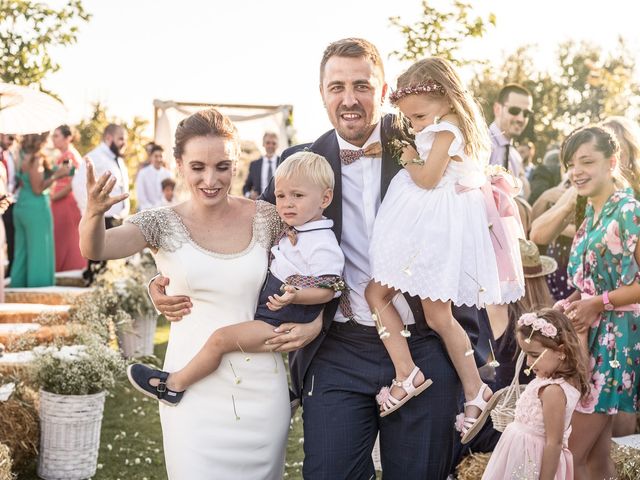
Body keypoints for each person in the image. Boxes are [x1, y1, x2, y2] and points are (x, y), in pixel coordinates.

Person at [150, 38, 488, 479]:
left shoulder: (427, 144)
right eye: (337, 86)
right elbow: (252, 241)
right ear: (322, 93)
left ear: (383, 90)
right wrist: (168, 279)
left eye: (361, 85)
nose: (349, 99)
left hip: (423, 342)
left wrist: (470, 350)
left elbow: (466, 238)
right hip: (337, 350)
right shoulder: (297, 164)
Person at [79, 108, 290, 479]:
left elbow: (312, 269)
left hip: (262, 389)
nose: (211, 179)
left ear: (236, 164)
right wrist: (93, 214)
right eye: (197, 167)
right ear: (178, 164)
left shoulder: (268, 217)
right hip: (190, 389)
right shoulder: (159, 222)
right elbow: (96, 248)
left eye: (222, 167)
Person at [364, 57, 524, 445]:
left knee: (377, 293)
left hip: (432, 227)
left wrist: (405, 156)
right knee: (437, 315)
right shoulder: (447, 126)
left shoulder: (447, 131)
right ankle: (474, 391)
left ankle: (408, 373)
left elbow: (428, 177)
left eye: (418, 117)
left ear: (445, 97)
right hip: (435, 224)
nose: (416, 125)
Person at [127, 151, 344, 404]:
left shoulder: (322, 242)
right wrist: (160, 279)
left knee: (221, 340)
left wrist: (296, 295)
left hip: (281, 320)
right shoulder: (293, 226)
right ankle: (286, 394)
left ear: (325, 198)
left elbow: (330, 288)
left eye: (297, 196)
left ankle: (173, 385)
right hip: (271, 309)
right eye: (281, 196)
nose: (286, 203)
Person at [554, 125, 640, 479]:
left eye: (586, 161)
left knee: (570, 450)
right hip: (590, 336)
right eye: (571, 164)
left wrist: (598, 303)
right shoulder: (590, 211)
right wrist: (572, 301)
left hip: (615, 341)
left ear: (612, 161)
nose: (577, 171)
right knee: (595, 458)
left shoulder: (628, 211)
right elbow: (592, 279)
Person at [482, 309, 589, 480]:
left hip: (532, 462)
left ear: (561, 351)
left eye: (535, 355)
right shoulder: (545, 380)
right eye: (526, 355)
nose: (529, 363)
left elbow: (554, 443)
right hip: (518, 455)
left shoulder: (554, 391)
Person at [11, 133, 71, 287]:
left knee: (22, 253)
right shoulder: (36, 158)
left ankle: (17, 290)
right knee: (40, 251)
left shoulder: (19, 154)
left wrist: (52, 170)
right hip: (36, 209)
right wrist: (57, 175)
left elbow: (28, 178)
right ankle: (39, 289)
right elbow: (38, 188)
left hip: (21, 207)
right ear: (41, 139)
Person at [74, 123, 129, 284]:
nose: (123, 143)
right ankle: (94, 293)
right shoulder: (95, 157)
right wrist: (91, 212)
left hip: (117, 218)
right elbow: (77, 184)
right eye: (120, 139)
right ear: (108, 138)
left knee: (111, 267)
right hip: (103, 218)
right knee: (98, 264)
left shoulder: (117, 158)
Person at [51, 125, 86, 272]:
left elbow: (73, 182)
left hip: (65, 201)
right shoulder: (62, 155)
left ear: (68, 138)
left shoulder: (70, 156)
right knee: (60, 236)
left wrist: (54, 197)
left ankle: (70, 267)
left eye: (56, 136)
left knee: (67, 237)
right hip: (59, 200)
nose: (53, 139)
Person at [489, 84, 533, 199]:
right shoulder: (479, 144)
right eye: (514, 111)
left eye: (526, 114)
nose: (521, 119)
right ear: (498, 109)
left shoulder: (516, 157)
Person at [243, 132, 279, 199]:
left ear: (277, 145)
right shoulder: (254, 165)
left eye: (274, 143)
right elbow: (246, 187)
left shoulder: (282, 162)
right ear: (263, 144)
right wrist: (249, 195)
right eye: (268, 143)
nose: (270, 146)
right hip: (260, 203)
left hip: (280, 203)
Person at [135, 144, 172, 210]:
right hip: (146, 210)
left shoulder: (168, 174)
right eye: (156, 156)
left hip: (164, 210)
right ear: (151, 157)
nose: (159, 159)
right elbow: (141, 196)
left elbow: (169, 194)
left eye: (161, 156)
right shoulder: (143, 173)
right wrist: (151, 209)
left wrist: (161, 207)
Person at [0, 134, 17, 276]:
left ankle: (10, 271)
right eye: (10, 138)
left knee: (11, 238)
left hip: (11, 203)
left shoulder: (11, 154)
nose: (12, 142)